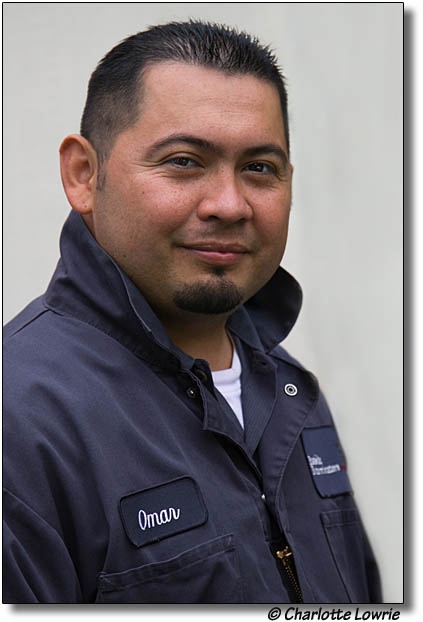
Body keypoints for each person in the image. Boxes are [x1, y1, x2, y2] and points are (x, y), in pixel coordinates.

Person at [3, 21, 381, 604]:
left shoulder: (291, 392)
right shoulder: (21, 419)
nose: (229, 204)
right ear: (84, 175)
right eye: (183, 161)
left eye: (260, 168)